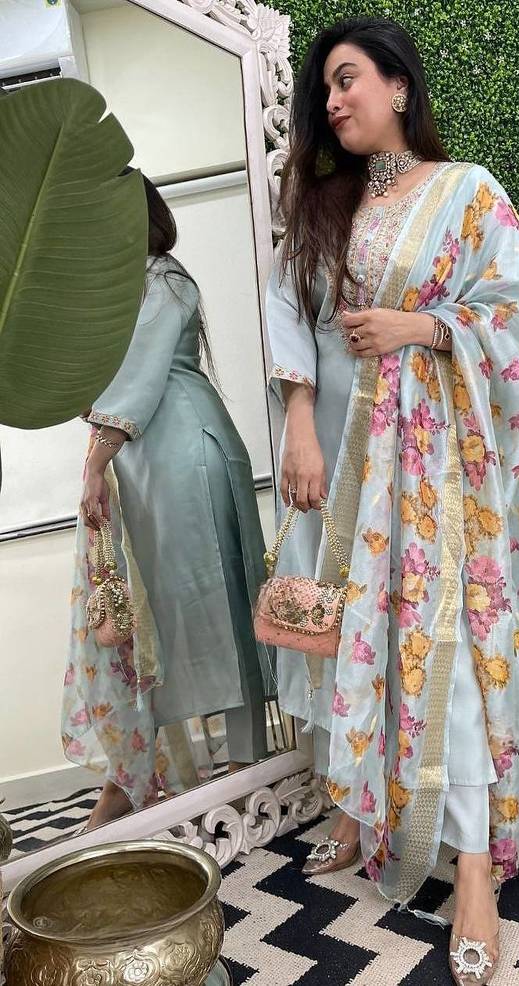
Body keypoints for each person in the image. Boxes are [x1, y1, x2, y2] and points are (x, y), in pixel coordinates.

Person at [266, 17, 519, 984]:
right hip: (359, 464)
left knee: (452, 650)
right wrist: (298, 420)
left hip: (445, 470)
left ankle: (472, 870)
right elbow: (293, 309)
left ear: (398, 85)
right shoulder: (330, 206)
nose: (334, 100)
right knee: (369, 637)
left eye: (348, 79)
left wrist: (422, 328)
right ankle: (363, 806)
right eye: (325, 89)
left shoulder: (467, 190)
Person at [62, 173, 275, 830]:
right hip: (148, 455)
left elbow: (141, 376)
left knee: (214, 599)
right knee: (152, 614)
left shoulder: (166, 279)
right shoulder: (122, 285)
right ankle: (139, 773)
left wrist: (94, 461)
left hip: (184, 448)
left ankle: (243, 762)